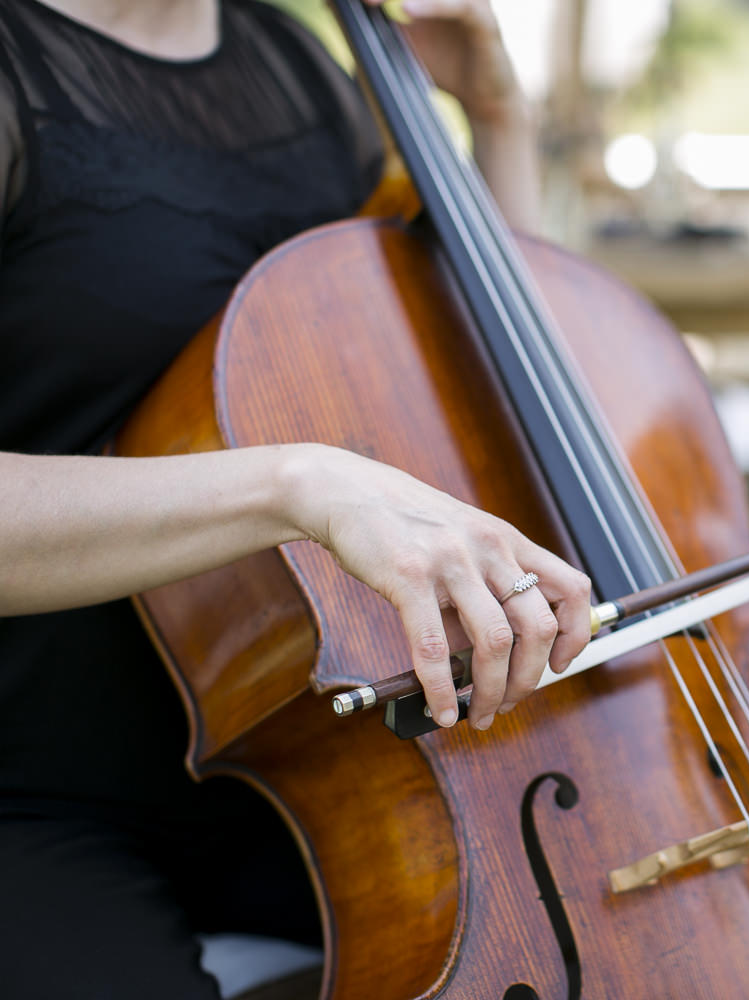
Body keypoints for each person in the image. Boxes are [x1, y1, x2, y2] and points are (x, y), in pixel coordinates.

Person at [0, 1, 592, 996]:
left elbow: (486, 364)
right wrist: (298, 483)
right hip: (30, 780)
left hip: (314, 740)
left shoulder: (296, 63)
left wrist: (497, 124)